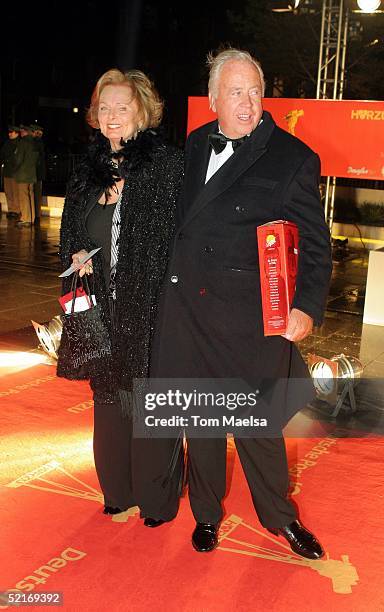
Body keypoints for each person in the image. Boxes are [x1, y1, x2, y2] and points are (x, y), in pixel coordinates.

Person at [143, 49, 332, 558]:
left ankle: (280, 517)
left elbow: (316, 245)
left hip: (250, 315)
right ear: (212, 100)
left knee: (258, 425)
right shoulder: (196, 143)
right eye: (235, 92)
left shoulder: (292, 156)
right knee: (200, 420)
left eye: (254, 91)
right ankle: (206, 513)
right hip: (189, 309)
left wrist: (307, 307)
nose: (247, 104)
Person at [57, 69, 184, 515]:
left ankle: (156, 500)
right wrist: (76, 254)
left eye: (122, 107)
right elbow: (70, 228)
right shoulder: (85, 172)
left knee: (150, 402)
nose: (112, 116)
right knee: (109, 401)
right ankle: (118, 492)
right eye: (104, 107)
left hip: (152, 306)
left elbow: (183, 239)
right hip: (100, 307)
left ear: (142, 112)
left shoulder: (167, 166)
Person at [14, 124, 38, 226]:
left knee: (23, 196)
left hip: (23, 174)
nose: (20, 133)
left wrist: (15, 169)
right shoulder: (34, 142)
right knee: (30, 195)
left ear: (25, 132)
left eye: (21, 131)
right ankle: (31, 218)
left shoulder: (23, 142)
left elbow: (19, 159)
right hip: (32, 173)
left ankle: (25, 219)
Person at [0, 126, 21, 219]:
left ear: (17, 133)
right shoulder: (7, 143)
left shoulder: (19, 143)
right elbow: (2, 154)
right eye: (9, 132)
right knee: (8, 192)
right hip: (7, 171)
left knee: (15, 192)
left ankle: (16, 210)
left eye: (11, 132)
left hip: (15, 172)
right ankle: (11, 209)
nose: (9, 134)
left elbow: (17, 157)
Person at [31, 124, 46, 223]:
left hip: (37, 173)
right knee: (36, 194)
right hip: (36, 172)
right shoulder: (37, 142)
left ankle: (37, 214)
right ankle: (36, 214)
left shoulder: (37, 142)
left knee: (36, 194)